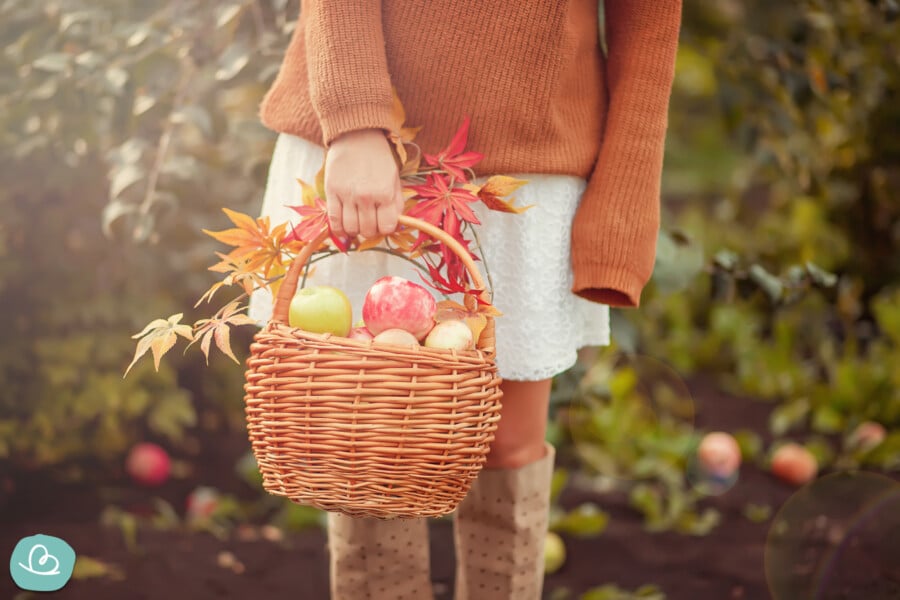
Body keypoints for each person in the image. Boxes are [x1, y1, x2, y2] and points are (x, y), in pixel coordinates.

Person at [249, 1, 682, 598]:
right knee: (373, 432)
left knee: (508, 445)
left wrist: (626, 193)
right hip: (371, 149)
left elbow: (650, 21)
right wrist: (353, 119)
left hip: (531, 165)